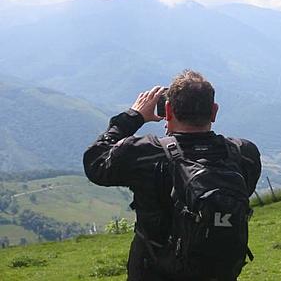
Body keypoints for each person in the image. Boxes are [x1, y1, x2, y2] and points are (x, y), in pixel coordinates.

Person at [83, 70, 261, 280]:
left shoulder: (144, 153)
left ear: (167, 110)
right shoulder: (244, 153)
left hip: (154, 272)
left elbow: (95, 162)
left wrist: (133, 116)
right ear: (214, 112)